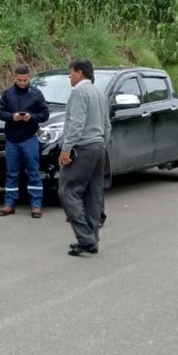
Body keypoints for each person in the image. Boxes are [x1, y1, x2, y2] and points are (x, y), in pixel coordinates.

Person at [58, 58, 111, 257]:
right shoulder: (99, 93)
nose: (69, 76)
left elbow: (77, 124)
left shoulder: (79, 92)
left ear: (80, 73)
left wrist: (66, 149)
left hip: (84, 147)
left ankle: (86, 237)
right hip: (98, 147)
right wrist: (102, 144)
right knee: (92, 194)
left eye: (70, 72)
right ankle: (93, 240)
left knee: (68, 191)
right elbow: (107, 125)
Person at [0, 65, 49, 218]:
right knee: (12, 173)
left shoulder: (36, 94)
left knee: (33, 172)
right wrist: (12, 117)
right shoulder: (7, 93)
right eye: (19, 80)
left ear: (28, 78)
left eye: (25, 80)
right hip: (12, 140)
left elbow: (45, 114)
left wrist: (30, 117)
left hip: (29, 138)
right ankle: (9, 204)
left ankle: (36, 205)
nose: (22, 83)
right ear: (15, 77)